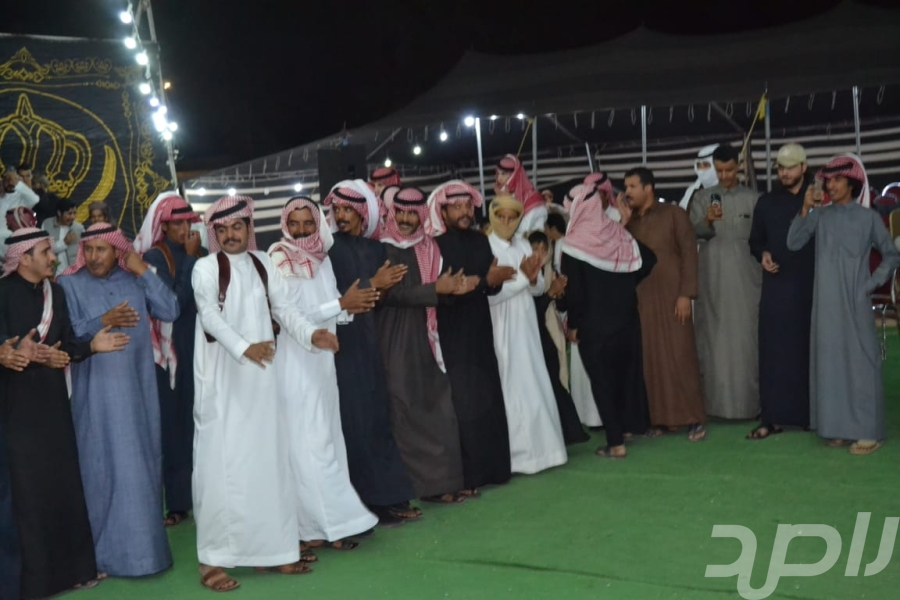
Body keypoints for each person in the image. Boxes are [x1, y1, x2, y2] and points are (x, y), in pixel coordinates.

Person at [192, 196, 340, 591]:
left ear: (248, 228)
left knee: (267, 464)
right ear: (214, 233)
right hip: (222, 384)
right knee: (221, 470)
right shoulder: (206, 268)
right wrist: (245, 348)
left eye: (236, 227)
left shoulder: (262, 263)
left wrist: (312, 334)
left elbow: (285, 309)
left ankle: (271, 553)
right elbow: (209, 316)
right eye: (222, 230)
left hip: (261, 382)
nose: (230, 235)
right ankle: (212, 561)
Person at [0, 228, 131, 597]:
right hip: (16, 410)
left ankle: (74, 570)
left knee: (63, 485)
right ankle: (34, 582)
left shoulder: (54, 293)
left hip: (54, 406)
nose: (53, 257)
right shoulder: (3, 293)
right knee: (28, 495)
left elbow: (66, 343)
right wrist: (11, 354)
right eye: (45, 251)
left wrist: (91, 346)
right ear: (24, 258)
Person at [57, 224, 178, 577]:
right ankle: (100, 559)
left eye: (102, 249)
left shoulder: (134, 280)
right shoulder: (69, 283)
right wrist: (103, 321)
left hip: (139, 394)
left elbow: (171, 309)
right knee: (100, 472)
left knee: (140, 470)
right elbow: (67, 335)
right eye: (89, 249)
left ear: (117, 251)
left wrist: (143, 270)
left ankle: (146, 555)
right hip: (95, 396)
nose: (94, 257)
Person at [268, 196, 379, 558]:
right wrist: (341, 305)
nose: (301, 230)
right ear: (285, 224)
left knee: (326, 439)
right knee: (310, 445)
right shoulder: (278, 258)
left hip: (323, 362)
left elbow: (332, 304)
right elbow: (288, 313)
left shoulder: (323, 257)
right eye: (295, 223)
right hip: (294, 362)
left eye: (308, 223)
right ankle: (334, 525)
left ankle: (313, 528)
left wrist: (346, 307)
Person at [787, 154, 900, 455]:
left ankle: (868, 431)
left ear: (851, 184)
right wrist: (805, 209)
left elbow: (891, 255)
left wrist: (870, 284)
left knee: (862, 363)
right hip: (825, 303)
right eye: (829, 181)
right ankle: (837, 427)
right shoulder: (820, 216)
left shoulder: (868, 218)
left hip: (856, 300)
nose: (831, 186)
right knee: (831, 363)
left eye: (837, 180)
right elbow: (793, 243)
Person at [325, 180, 419, 525]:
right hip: (340, 346)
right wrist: (373, 284)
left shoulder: (376, 250)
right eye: (337, 209)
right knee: (355, 422)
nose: (341, 215)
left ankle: (389, 496)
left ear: (363, 213)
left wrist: (380, 288)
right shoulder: (328, 249)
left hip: (369, 342)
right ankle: (367, 502)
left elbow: (380, 300)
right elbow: (332, 297)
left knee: (377, 418)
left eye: (348, 210)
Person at [377, 185, 475, 502]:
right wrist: (436, 290)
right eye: (401, 213)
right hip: (395, 339)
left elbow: (437, 292)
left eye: (412, 214)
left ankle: (444, 481)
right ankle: (424, 488)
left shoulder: (429, 247)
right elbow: (390, 296)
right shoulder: (382, 248)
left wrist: (452, 291)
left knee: (440, 407)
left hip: (429, 337)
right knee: (406, 410)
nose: (406, 219)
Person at [427, 180, 512, 493]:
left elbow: (489, 286)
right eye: (457, 207)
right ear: (443, 211)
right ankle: (469, 477)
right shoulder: (435, 246)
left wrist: (494, 281)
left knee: (488, 396)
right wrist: (485, 281)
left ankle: (496, 470)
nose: (464, 212)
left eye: (467, 206)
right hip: (452, 331)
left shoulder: (480, 240)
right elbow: (447, 290)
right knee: (463, 403)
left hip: (479, 329)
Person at [558, 184, 656, 459]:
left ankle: (615, 443)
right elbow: (649, 259)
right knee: (623, 376)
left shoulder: (573, 244)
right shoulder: (617, 232)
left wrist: (572, 325)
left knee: (602, 382)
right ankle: (626, 428)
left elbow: (574, 293)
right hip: (627, 320)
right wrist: (626, 281)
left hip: (594, 326)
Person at [620, 167, 706, 441]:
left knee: (681, 355)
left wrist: (685, 294)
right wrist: (623, 223)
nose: (627, 192)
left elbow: (689, 253)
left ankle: (693, 418)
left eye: (632, 186)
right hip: (642, 299)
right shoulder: (629, 222)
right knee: (651, 359)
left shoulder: (673, 214)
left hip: (673, 296)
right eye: (626, 187)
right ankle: (659, 419)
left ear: (648, 188)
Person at [134, 192, 203, 526]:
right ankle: (177, 503)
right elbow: (172, 304)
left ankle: (202, 494)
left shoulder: (197, 254)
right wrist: (189, 259)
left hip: (199, 347)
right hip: (170, 354)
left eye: (187, 222)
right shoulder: (155, 256)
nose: (184, 228)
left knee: (199, 422)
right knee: (175, 427)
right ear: (163, 226)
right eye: (177, 224)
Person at [486, 194, 567, 473]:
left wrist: (532, 279)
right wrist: (522, 278)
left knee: (534, 380)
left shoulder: (523, 244)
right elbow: (491, 295)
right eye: (501, 217)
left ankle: (546, 452)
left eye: (512, 218)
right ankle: (517, 456)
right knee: (511, 386)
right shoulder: (487, 247)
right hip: (502, 325)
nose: (506, 222)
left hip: (527, 324)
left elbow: (537, 288)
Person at [747, 144, 816, 439]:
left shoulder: (819, 199)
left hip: (812, 286)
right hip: (776, 287)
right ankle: (772, 418)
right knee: (773, 351)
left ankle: (810, 416)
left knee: (808, 350)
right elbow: (755, 241)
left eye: (790, 167)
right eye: (780, 168)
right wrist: (762, 254)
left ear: (804, 167)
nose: (785, 173)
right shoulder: (766, 202)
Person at [689, 144, 761, 420]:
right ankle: (714, 407)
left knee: (746, 342)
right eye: (719, 171)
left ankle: (749, 406)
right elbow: (690, 234)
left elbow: (763, 238)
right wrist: (707, 221)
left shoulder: (754, 199)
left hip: (747, 281)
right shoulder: (702, 198)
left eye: (729, 170)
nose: (725, 176)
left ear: (738, 167)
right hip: (712, 281)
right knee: (713, 342)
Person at [526, 230, 589, 445]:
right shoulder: (523, 273)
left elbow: (561, 306)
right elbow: (530, 311)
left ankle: (567, 431)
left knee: (555, 377)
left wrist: (559, 293)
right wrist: (550, 293)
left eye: (544, 249)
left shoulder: (548, 271)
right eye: (535, 249)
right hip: (532, 335)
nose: (539, 254)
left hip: (549, 333)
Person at [495, 154, 548, 235]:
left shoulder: (533, 199)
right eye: (498, 174)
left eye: (503, 174)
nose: (499, 178)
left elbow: (521, 232)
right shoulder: (504, 193)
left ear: (514, 174)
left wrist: (507, 201)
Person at [0, 167, 40, 257]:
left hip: (17, 243)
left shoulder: (22, 198)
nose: (9, 182)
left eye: (12, 179)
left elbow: (35, 199)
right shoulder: (1, 196)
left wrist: (17, 183)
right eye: (7, 179)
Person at [41, 198, 82, 274]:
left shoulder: (78, 228)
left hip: (73, 274)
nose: (73, 217)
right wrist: (64, 243)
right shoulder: (47, 225)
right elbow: (44, 250)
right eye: (69, 213)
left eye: (74, 213)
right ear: (59, 213)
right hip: (52, 274)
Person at [679, 143, 720, 210]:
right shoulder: (692, 190)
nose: (701, 170)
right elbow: (682, 211)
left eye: (706, 165)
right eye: (699, 166)